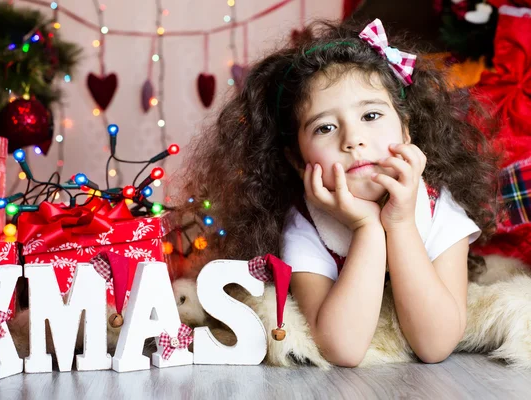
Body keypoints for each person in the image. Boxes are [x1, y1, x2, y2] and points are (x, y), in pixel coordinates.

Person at [176, 19, 500, 367]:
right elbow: (343, 349)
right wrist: (367, 228)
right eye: (325, 127)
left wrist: (402, 223)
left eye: (371, 115)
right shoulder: (306, 226)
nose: (352, 140)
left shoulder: (438, 208)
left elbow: (434, 345)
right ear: (298, 160)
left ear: (406, 131)